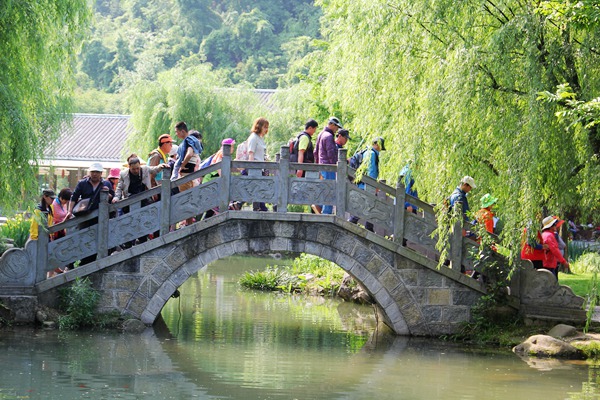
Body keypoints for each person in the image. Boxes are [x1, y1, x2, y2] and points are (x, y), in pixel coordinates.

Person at [112, 154, 167, 247]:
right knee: (129, 223)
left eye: (137, 168)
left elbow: (154, 169)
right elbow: (119, 188)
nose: (136, 171)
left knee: (144, 222)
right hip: (129, 201)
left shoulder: (144, 169)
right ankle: (128, 245)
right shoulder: (123, 174)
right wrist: (116, 197)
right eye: (133, 169)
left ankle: (143, 242)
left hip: (144, 200)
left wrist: (161, 166)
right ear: (129, 167)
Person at [67, 162, 114, 265]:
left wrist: (108, 194)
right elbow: (74, 198)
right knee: (83, 237)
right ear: (89, 172)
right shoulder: (82, 183)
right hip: (85, 215)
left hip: (100, 217)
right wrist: (70, 211)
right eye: (93, 172)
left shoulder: (106, 184)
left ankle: (87, 263)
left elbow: (112, 198)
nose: (95, 174)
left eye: (97, 172)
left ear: (101, 173)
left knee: (97, 238)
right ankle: (73, 263)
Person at [348, 137, 385, 231]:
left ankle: (367, 226)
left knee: (366, 205)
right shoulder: (371, 154)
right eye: (380, 146)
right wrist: (374, 185)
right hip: (366, 186)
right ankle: (356, 223)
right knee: (368, 205)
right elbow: (371, 171)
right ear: (376, 144)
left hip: (362, 184)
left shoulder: (366, 151)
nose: (381, 149)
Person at [313, 117, 346, 215]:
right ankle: (326, 212)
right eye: (336, 127)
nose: (337, 130)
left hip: (322, 166)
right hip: (329, 167)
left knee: (324, 188)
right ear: (332, 124)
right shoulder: (328, 136)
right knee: (330, 189)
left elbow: (316, 152)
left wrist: (318, 164)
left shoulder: (321, 134)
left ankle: (319, 205)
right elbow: (331, 154)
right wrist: (336, 166)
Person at [247, 117, 270, 211]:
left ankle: (261, 207)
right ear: (259, 126)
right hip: (255, 168)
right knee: (256, 188)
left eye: (267, 127)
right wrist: (251, 168)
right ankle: (257, 208)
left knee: (261, 188)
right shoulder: (253, 137)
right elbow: (251, 153)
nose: (266, 129)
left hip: (261, 167)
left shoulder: (260, 138)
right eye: (265, 127)